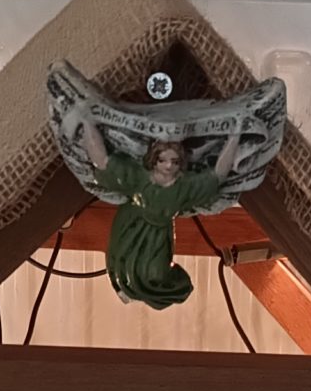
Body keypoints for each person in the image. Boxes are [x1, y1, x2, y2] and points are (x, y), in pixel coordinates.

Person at [70, 109, 246, 309]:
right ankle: (125, 286)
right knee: (122, 261)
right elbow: (103, 162)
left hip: (159, 236)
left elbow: (218, 175)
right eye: (163, 160)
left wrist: (235, 136)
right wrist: (87, 122)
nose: (168, 166)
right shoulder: (140, 179)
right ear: (154, 160)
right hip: (131, 226)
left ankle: (152, 292)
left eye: (174, 161)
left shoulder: (184, 187)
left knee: (156, 273)